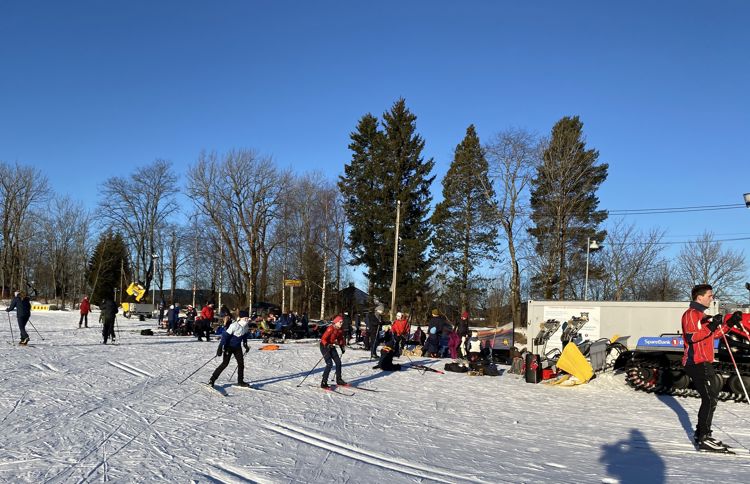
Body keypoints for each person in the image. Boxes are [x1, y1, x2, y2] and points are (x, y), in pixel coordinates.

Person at [681, 284, 742, 452]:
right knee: (709, 399)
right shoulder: (691, 314)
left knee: (711, 397)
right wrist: (711, 325)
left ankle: (702, 434)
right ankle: (703, 438)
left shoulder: (702, 315)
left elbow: (714, 334)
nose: (711, 298)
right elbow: (692, 337)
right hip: (696, 362)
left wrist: (730, 323)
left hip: (705, 361)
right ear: (699, 297)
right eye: (709, 295)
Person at [209, 311, 251, 387]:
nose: (247, 320)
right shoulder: (234, 325)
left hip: (237, 347)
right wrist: (220, 347)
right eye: (246, 318)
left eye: (248, 318)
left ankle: (240, 381)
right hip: (228, 347)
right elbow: (225, 336)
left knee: (241, 364)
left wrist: (245, 344)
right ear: (241, 318)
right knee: (225, 364)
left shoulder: (246, 326)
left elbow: (244, 336)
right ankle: (212, 379)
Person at [320, 315, 347, 388]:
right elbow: (323, 339)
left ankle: (339, 379)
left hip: (331, 346)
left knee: (338, 362)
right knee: (329, 364)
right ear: (336, 322)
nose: (341, 323)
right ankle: (324, 382)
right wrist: (327, 345)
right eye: (340, 322)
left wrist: (342, 346)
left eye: (342, 322)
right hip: (324, 346)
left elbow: (340, 339)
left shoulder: (340, 329)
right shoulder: (330, 329)